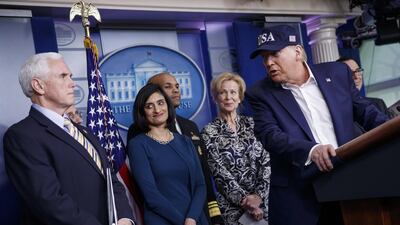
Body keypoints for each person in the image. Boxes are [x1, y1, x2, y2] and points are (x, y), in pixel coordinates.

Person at [246, 25, 388, 225]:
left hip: (354, 185)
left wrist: (392, 131)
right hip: (301, 196)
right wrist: (311, 150)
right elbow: (270, 135)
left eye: (275, 53)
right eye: (264, 57)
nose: (269, 62)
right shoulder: (259, 94)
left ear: (297, 51)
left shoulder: (337, 73)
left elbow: (366, 112)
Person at [3, 52, 134, 225]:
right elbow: (48, 202)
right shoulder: (22, 136)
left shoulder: (84, 131)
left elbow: (111, 179)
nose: (73, 83)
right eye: (63, 76)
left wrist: (125, 218)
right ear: (38, 85)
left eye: (71, 76)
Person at [127, 72, 223, 225]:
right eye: (149, 106)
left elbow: (200, 184)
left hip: (196, 218)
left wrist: (191, 218)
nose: (157, 110)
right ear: (142, 112)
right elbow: (151, 195)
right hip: (163, 220)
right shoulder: (138, 144)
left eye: (160, 103)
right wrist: (184, 222)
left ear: (167, 105)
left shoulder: (185, 140)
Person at [201, 72, 270, 225]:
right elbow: (219, 171)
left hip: (262, 202)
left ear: (240, 97)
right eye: (222, 92)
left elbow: (266, 160)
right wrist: (245, 201)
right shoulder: (209, 131)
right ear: (215, 98)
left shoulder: (253, 124)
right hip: (232, 207)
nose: (228, 97)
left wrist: (258, 197)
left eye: (233, 92)